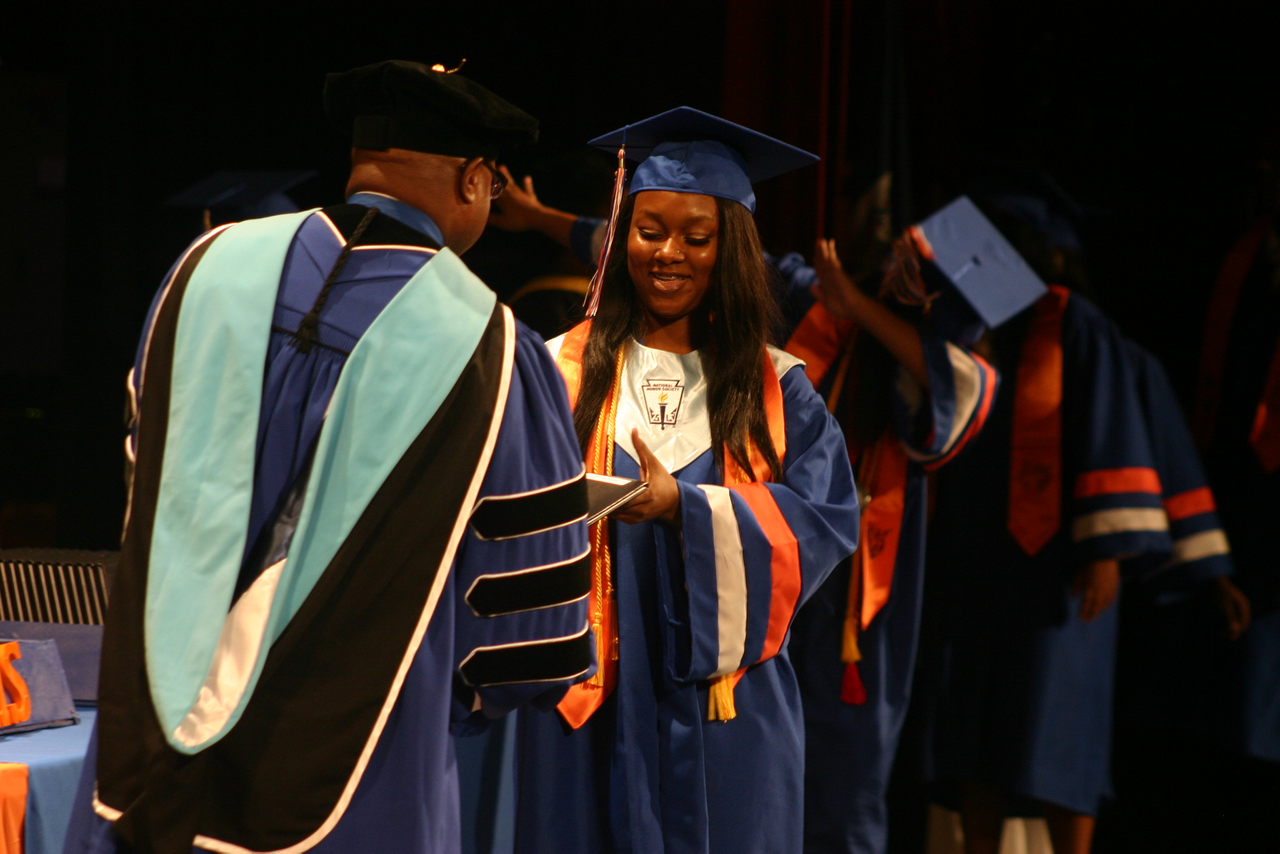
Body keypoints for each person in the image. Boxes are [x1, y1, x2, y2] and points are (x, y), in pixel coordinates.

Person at [63, 60, 593, 854]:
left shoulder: (201, 272)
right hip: (362, 779)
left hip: (147, 765)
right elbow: (533, 636)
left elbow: (148, 488)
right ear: (479, 179)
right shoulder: (492, 348)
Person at [505, 107, 859, 853]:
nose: (668, 254)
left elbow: (826, 523)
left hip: (725, 706)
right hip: (582, 702)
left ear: (728, 248)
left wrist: (687, 511)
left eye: (696, 238)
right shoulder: (557, 368)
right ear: (619, 237)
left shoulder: (778, 390)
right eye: (648, 231)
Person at [785, 197, 1048, 854]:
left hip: (864, 595)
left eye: (912, 267)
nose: (894, 268)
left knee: (845, 770)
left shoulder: (947, 367)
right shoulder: (825, 314)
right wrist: (544, 221)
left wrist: (859, 308)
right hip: (783, 558)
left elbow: (958, 383)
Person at [920, 196, 1173, 854]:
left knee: (1059, 729)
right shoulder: (969, 327)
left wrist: (1106, 551)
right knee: (978, 728)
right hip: (978, 559)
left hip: (1057, 567)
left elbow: (1110, 431)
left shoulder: (1077, 326)